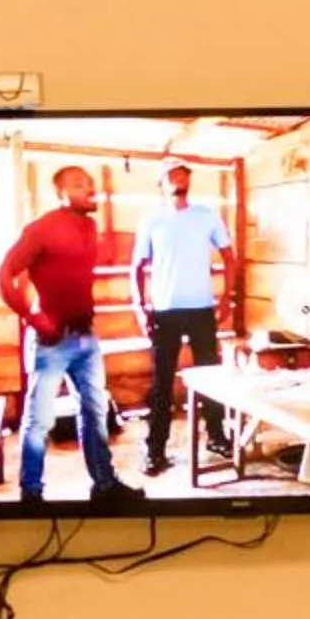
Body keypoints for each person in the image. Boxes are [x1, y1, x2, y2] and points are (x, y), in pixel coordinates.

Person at [0, 166, 138, 505]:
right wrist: (33, 319)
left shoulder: (88, 226)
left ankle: (104, 486)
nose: (90, 188)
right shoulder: (42, 229)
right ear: (60, 193)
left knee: (95, 413)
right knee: (39, 421)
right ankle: (31, 495)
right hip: (51, 341)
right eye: (79, 184)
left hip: (86, 337)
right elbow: (2, 275)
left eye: (90, 183)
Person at [129, 163, 235, 474]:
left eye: (184, 174)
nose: (180, 178)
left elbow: (229, 258)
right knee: (162, 382)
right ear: (160, 183)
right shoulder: (152, 220)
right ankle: (155, 450)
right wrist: (139, 307)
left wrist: (226, 298)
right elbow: (136, 267)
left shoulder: (207, 216)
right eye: (172, 174)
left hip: (202, 310)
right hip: (165, 312)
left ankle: (217, 437)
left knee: (211, 377)